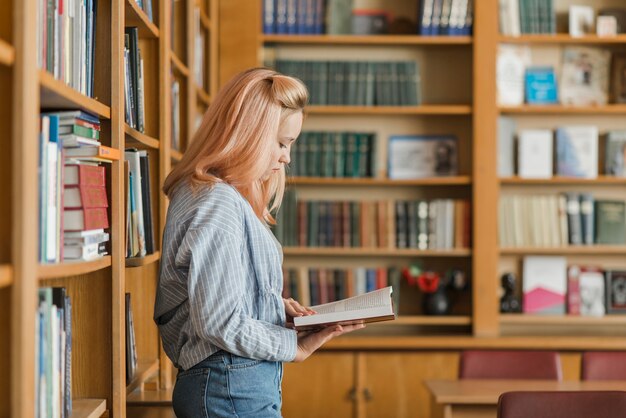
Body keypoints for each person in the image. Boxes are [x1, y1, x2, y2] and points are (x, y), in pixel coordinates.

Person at [154, 67, 364, 418]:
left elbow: (207, 300)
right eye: (282, 143)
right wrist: (291, 347)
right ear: (248, 134)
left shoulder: (214, 197)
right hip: (229, 384)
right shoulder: (216, 203)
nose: (287, 158)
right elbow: (218, 322)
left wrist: (271, 306)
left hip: (232, 383)